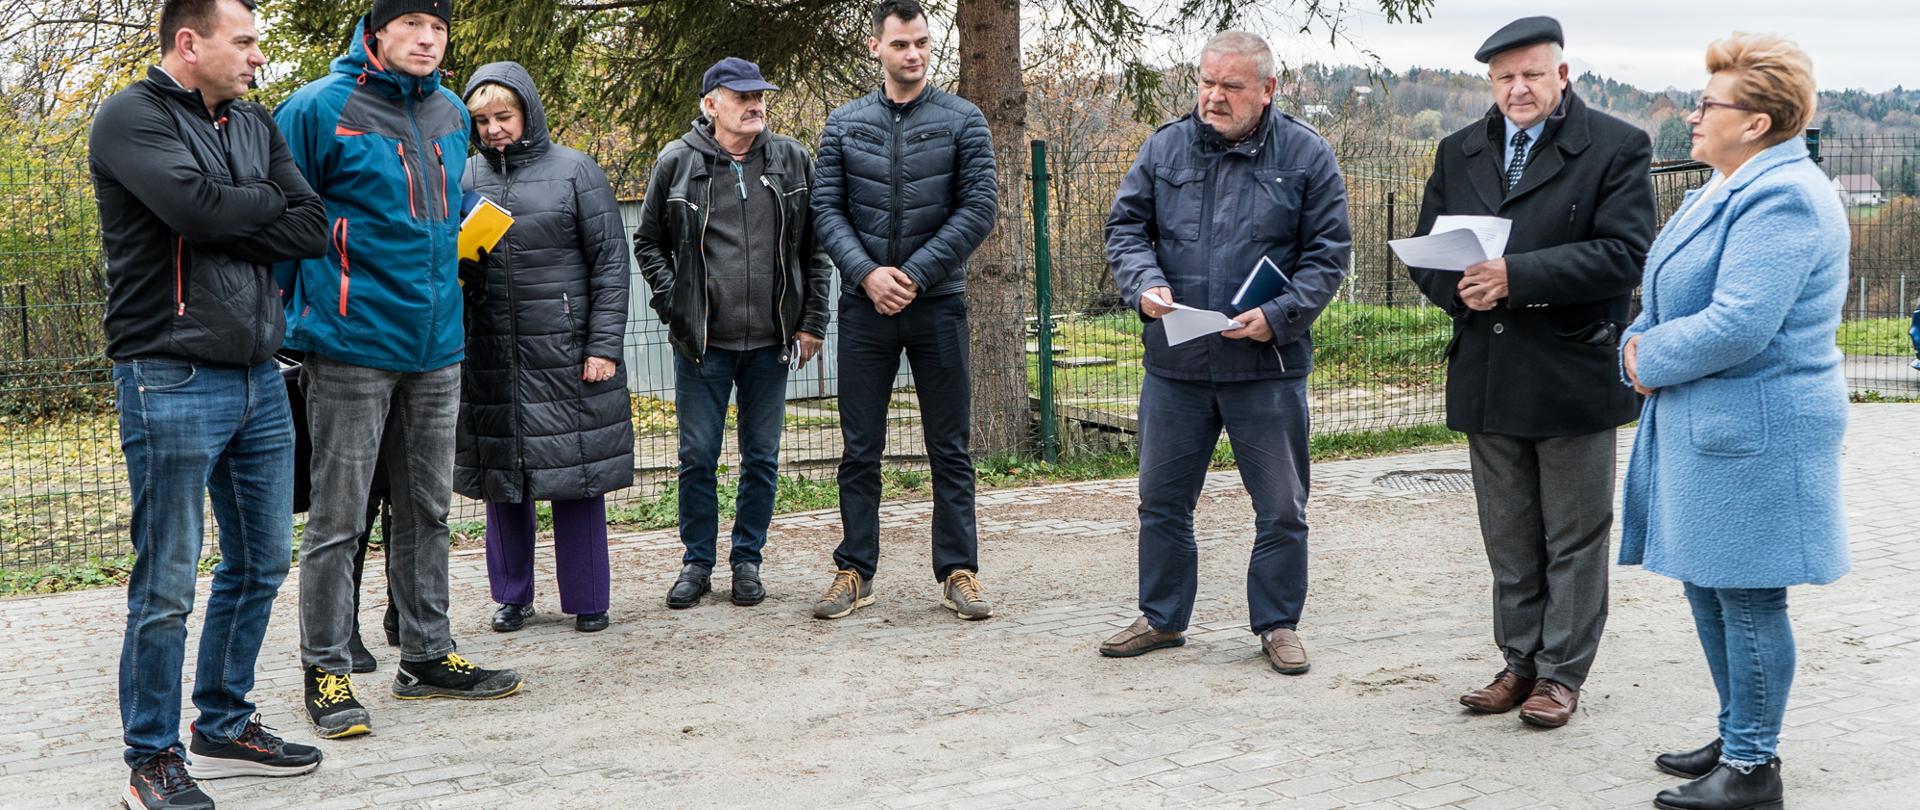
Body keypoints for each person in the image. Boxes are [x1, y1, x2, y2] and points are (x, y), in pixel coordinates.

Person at [90, 0, 327, 806]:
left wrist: (225, 210)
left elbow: (310, 226)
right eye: (246, 41)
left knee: (262, 560)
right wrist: (235, 207)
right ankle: (150, 757)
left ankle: (222, 718)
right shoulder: (130, 117)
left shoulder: (255, 122)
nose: (258, 57)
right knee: (166, 583)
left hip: (262, 374)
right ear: (188, 44)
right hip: (171, 374)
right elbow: (192, 211)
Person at [274, 0, 523, 741]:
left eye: (438, 28)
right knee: (339, 516)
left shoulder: (451, 111)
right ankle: (326, 668)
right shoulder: (318, 107)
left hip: (437, 344)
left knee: (429, 510)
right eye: (411, 24)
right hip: (349, 343)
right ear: (375, 32)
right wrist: (293, 323)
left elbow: (440, 219)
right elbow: (285, 221)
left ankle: (427, 655)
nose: (426, 38)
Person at [1620, 33, 1849, 810]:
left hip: (1757, 431)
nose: (1693, 115)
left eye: (1708, 103)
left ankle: (1753, 769)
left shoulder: (1783, 194)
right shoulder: (1727, 186)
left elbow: (1740, 323)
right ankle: (1739, 732)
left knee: (1748, 599)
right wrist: (1637, 339)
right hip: (1711, 430)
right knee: (1711, 589)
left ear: (1754, 121)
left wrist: (1643, 358)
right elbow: (1666, 301)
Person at [1407, 16, 1655, 728]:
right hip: (1488, 368)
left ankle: (1561, 676)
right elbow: (1430, 249)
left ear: (1562, 76)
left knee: (1574, 536)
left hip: (1571, 368)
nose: (1518, 89)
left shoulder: (1616, 146)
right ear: (1491, 82)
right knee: (1509, 535)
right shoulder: (1459, 150)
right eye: (1504, 77)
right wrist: (1460, 288)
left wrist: (1516, 277)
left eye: (1532, 75)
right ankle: (1517, 663)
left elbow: (1625, 254)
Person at [1100, 31, 1351, 675]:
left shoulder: (1306, 155)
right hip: (1176, 363)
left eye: (1230, 86)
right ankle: (1161, 618)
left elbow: (1329, 255)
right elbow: (1127, 227)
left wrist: (1277, 317)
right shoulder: (1164, 147)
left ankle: (1277, 624)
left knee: (1280, 508)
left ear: (1268, 90)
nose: (1213, 96)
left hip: (1265, 366)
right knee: (1161, 501)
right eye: (1206, 82)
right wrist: (1142, 282)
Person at [809, 0, 998, 621]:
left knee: (950, 446)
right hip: (865, 310)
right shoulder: (843, 123)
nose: (913, 54)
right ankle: (854, 570)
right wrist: (866, 275)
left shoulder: (964, 119)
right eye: (900, 44)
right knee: (860, 448)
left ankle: (959, 571)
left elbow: (978, 210)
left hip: (937, 304)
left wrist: (913, 275)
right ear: (876, 48)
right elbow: (825, 210)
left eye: (921, 43)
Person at [634, 57, 832, 609]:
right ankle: (697, 564)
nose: (755, 104)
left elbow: (814, 248)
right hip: (704, 343)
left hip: (771, 340)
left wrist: (812, 320)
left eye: (760, 94)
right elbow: (648, 241)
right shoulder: (677, 162)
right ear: (710, 105)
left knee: (762, 457)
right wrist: (676, 303)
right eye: (741, 95)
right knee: (698, 455)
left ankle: (747, 560)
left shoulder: (792, 160)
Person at [458, 61, 635, 633]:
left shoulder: (575, 171)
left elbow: (611, 263)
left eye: (503, 116)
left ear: (527, 111)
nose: (493, 129)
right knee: (502, 480)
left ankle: (588, 599)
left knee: (577, 477)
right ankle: (512, 595)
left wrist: (602, 344)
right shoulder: (463, 179)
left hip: (565, 352)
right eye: (481, 120)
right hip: (489, 355)